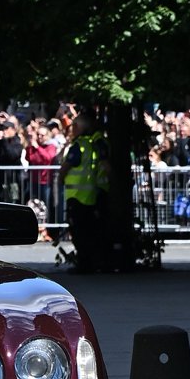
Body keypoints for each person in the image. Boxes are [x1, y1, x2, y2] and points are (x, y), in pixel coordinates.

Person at [62, 105, 110, 273]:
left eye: (73, 126)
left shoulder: (83, 145)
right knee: (91, 231)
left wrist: (60, 180)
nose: (71, 129)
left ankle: (86, 263)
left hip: (79, 196)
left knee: (81, 232)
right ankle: (92, 262)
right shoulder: (94, 143)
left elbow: (66, 168)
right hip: (91, 194)